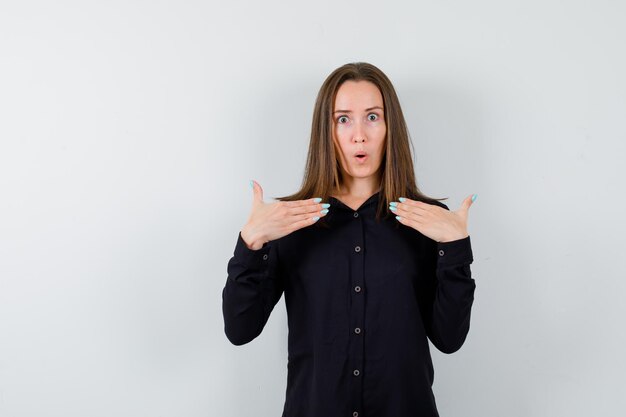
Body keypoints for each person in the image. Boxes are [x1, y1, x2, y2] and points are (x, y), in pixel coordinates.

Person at [222, 62, 477, 417]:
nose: (359, 135)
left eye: (372, 117)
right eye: (343, 119)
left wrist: (455, 249)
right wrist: (251, 243)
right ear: (326, 130)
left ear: (391, 127)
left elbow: (450, 339)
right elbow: (240, 328)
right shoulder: (289, 222)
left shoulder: (427, 221)